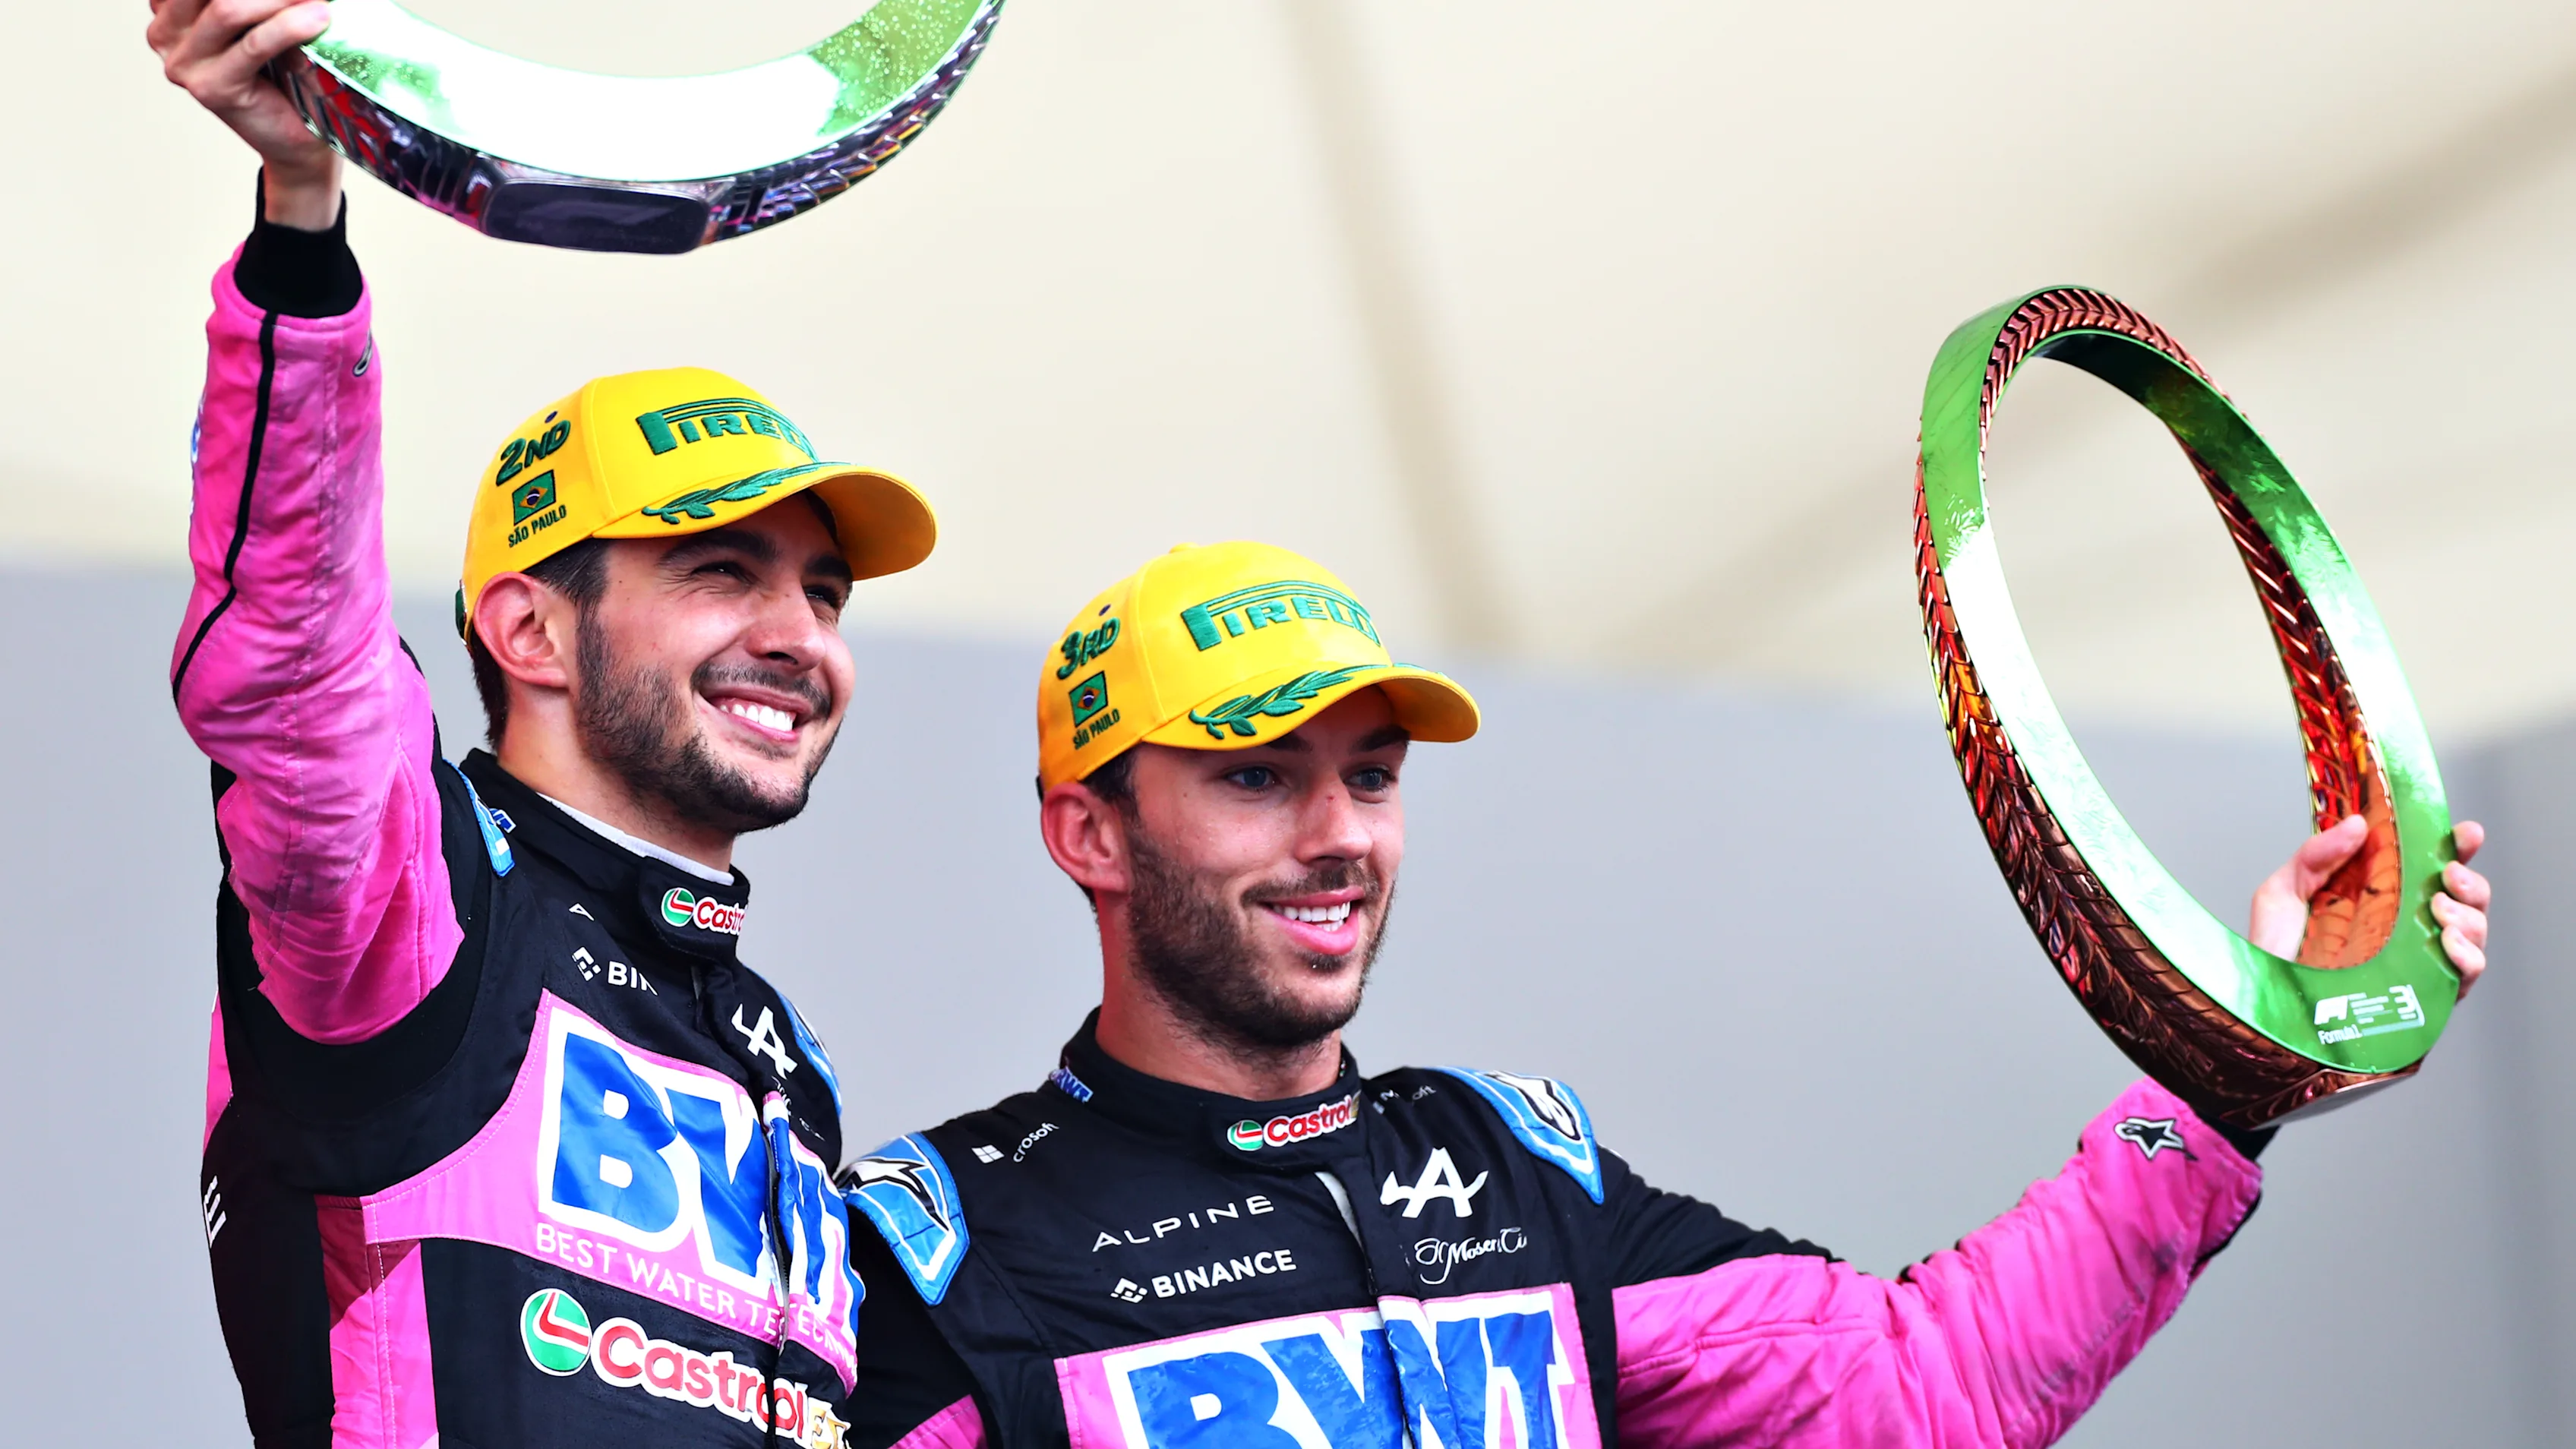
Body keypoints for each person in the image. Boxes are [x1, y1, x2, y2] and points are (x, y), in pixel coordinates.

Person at [837, 540, 2492, 1449]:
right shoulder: (947, 1246)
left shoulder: (1505, 1168)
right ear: (1092, 835)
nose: (1340, 833)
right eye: (1258, 776)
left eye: (1373, 774)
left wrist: (2226, 1073)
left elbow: (1925, 1386)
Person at [153, 2, 939, 1443]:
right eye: (720, 571)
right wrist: (301, 215)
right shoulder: (415, 901)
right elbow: (288, 657)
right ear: (529, 633)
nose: (801, 638)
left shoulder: (780, 1053)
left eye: (825, 593)